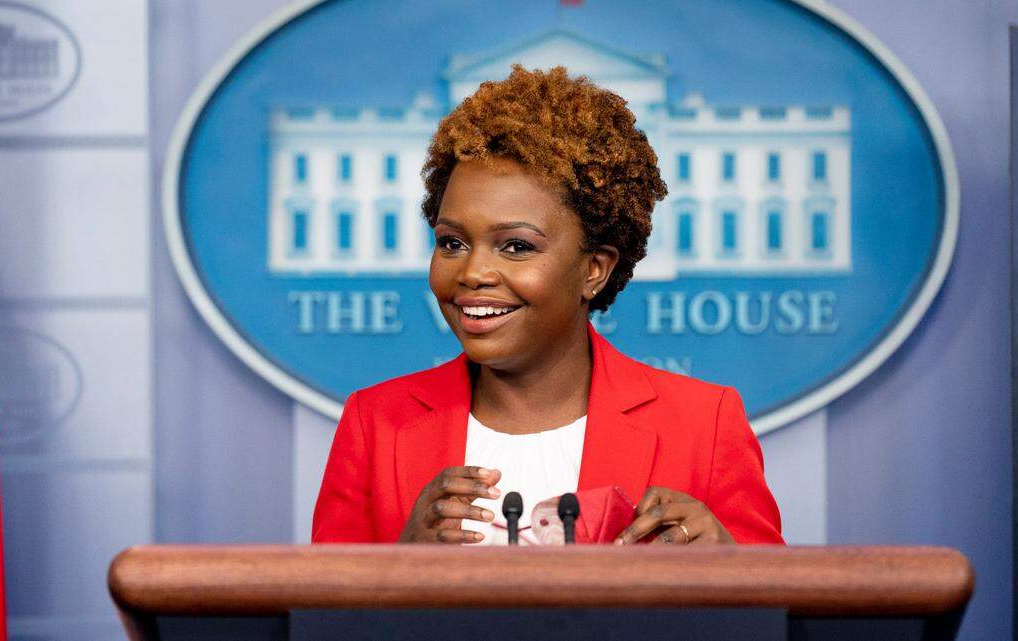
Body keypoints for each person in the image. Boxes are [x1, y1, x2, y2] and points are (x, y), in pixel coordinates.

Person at [312, 65, 783, 545]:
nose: (472, 272)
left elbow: (775, 609)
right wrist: (402, 562)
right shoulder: (374, 421)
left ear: (593, 269)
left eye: (516, 246)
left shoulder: (705, 423)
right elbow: (324, 615)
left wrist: (726, 560)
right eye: (452, 242)